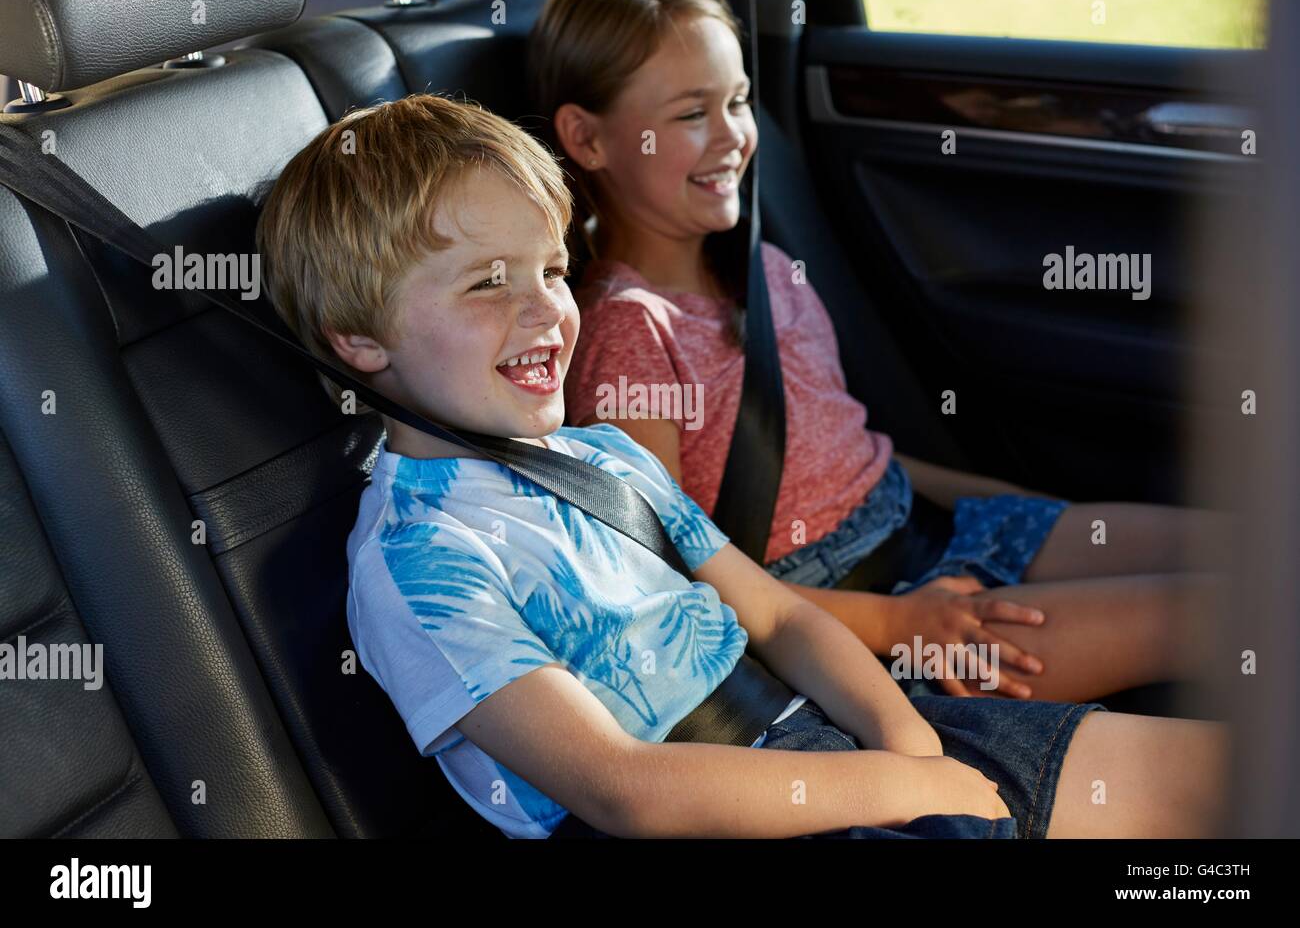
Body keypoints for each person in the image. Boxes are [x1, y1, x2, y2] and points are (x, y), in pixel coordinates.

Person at [252, 91, 1224, 839]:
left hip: (844, 740)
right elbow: (621, 787)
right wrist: (891, 784)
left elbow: (782, 613)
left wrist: (906, 739)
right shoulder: (420, 560)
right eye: (486, 284)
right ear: (358, 339)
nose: (548, 310)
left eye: (551, 269)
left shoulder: (602, 459)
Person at [533, 0, 1226, 702]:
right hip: (853, 619)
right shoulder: (630, 334)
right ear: (587, 137)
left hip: (934, 529)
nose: (735, 135)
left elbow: (855, 452)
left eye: (738, 101)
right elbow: (674, 579)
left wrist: (1019, 504)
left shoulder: (766, 268)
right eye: (690, 114)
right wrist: (900, 623)